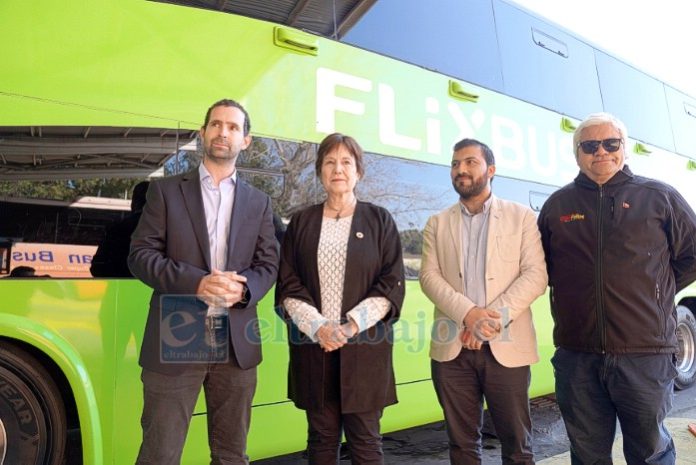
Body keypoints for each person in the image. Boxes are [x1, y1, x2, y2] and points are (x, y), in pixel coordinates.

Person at [537, 112, 696, 464]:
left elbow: (692, 254)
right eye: (590, 145)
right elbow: (541, 268)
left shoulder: (659, 197)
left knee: (650, 452)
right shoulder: (557, 206)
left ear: (624, 148)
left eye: (611, 143)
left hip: (645, 354)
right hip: (577, 356)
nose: (601, 152)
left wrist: (658, 289)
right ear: (577, 152)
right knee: (587, 454)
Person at [128, 98, 279, 465]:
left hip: (237, 345)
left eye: (232, 127)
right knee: (159, 454)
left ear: (245, 140)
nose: (222, 132)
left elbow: (269, 263)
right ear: (203, 133)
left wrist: (245, 289)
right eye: (215, 124)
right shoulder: (164, 192)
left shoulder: (259, 202)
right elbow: (140, 256)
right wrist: (197, 283)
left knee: (231, 456)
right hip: (176, 337)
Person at [276, 133, 405, 465]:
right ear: (320, 170)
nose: (338, 169)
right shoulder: (302, 222)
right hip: (314, 349)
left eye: (346, 162)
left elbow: (391, 283)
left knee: (366, 442)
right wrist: (320, 327)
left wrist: (349, 327)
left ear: (358, 171)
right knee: (321, 441)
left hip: (364, 350)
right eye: (330, 162)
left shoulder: (379, 220)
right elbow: (288, 283)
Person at [419, 138, 548, 465]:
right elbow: (429, 278)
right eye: (454, 164)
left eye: (470, 162)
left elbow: (535, 276)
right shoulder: (437, 222)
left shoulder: (521, 217)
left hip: (506, 348)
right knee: (462, 447)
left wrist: (488, 322)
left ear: (490, 169)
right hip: (452, 351)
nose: (460, 169)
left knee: (518, 446)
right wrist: (468, 315)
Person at [91, 180, 149, 277]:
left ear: (133, 202)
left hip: (119, 289)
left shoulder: (116, 228)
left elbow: (97, 267)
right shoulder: (167, 230)